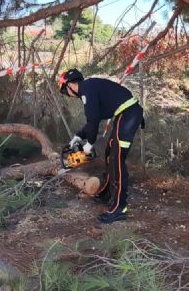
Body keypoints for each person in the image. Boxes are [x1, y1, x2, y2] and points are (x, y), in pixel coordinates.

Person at [58, 69, 144, 224]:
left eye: (65, 91)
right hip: (125, 115)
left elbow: (93, 121)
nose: (67, 95)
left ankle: (119, 207)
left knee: (116, 159)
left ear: (70, 85)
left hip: (128, 115)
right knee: (110, 153)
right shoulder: (89, 88)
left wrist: (89, 144)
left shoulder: (86, 91)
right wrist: (79, 136)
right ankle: (108, 193)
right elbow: (94, 118)